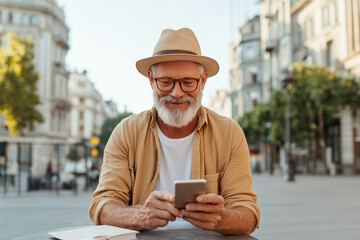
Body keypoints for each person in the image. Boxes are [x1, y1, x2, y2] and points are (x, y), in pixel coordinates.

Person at [89, 28, 260, 235]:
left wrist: (221, 218)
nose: (177, 93)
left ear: (203, 80)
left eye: (188, 82)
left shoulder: (229, 133)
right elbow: (102, 205)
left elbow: (249, 213)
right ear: (151, 80)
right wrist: (141, 215)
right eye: (165, 82)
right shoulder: (126, 132)